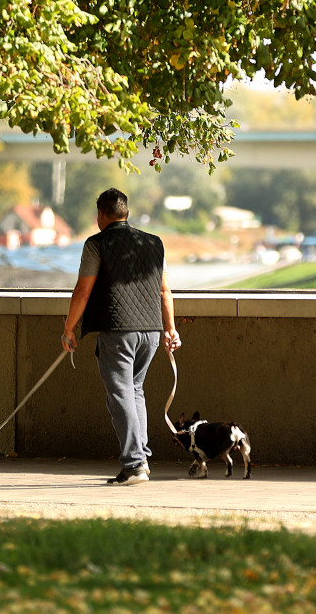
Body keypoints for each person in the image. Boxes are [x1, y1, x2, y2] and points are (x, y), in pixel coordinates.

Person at [62, 188, 181, 485]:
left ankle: (135, 463)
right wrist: (171, 328)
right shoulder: (154, 243)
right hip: (151, 331)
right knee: (135, 390)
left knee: (120, 394)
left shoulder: (96, 244)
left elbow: (83, 290)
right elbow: (165, 291)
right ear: (126, 213)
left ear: (100, 215)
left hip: (118, 330)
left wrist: (69, 328)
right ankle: (139, 460)